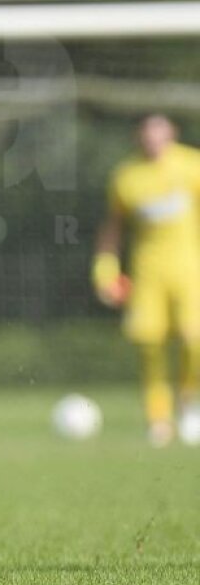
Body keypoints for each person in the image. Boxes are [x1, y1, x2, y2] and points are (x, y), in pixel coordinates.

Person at [93, 114, 200, 447]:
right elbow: (113, 228)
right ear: (139, 138)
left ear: (172, 134)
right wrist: (104, 271)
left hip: (190, 270)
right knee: (150, 346)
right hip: (147, 275)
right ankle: (159, 420)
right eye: (147, 135)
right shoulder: (127, 177)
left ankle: (191, 404)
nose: (153, 140)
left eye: (159, 133)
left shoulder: (192, 166)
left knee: (194, 338)